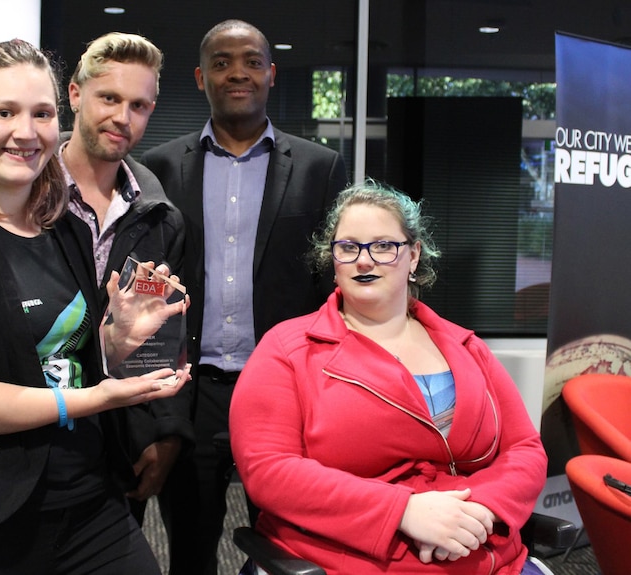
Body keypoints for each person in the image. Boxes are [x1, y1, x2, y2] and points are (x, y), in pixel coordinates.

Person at [0, 39, 189, 575]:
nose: (26, 132)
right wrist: (89, 400)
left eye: (41, 113)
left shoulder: (63, 229)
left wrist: (114, 342)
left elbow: (60, 357)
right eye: (4, 112)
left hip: (88, 503)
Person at [229, 179, 548, 575]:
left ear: (413, 255)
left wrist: (479, 510)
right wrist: (403, 511)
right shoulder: (288, 349)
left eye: (383, 246)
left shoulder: (467, 347)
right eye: (349, 247)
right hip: (349, 561)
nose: (364, 261)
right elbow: (269, 470)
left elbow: (525, 450)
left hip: (486, 554)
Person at [141, 19, 348, 575]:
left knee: (291, 548)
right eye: (223, 62)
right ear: (200, 77)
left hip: (284, 389)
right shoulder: (157, 168)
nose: (238, 72)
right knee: (189, 546)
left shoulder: (319, 167)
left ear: (271, 74)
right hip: (193, 389)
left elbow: (335, 286)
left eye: (252, 61)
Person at [58, 32, 193, 526]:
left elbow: (165, 336)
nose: (122, 117)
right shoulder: (26, 199)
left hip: (117, 446)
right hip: (30, 430)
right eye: (109, 98)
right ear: (75, 94)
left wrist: (164, 433)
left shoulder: (161, 218)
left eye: (138, 105)